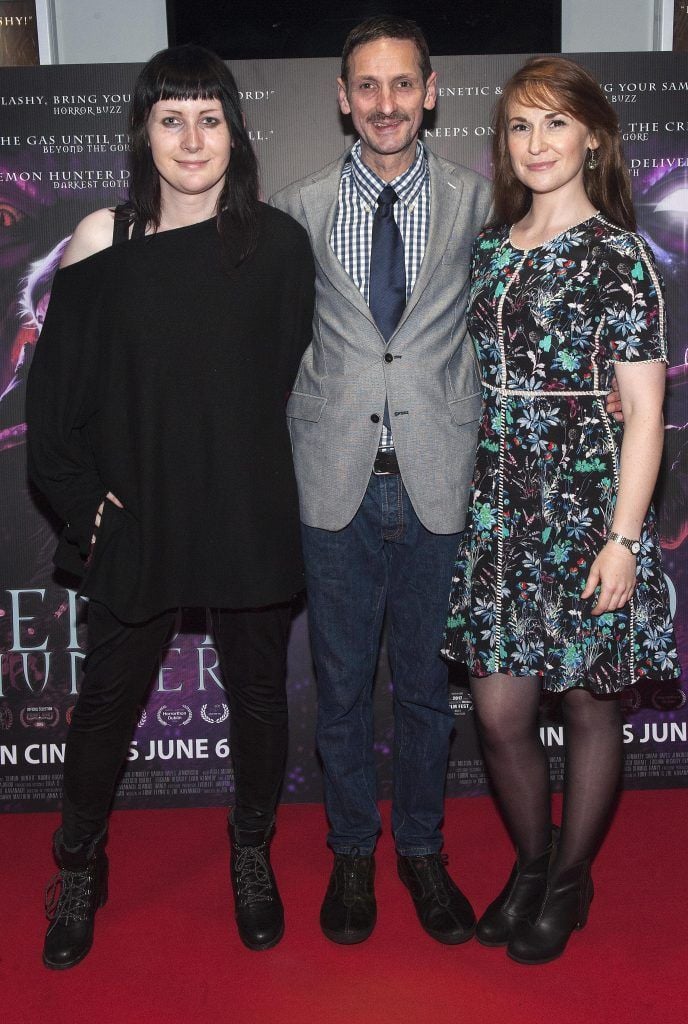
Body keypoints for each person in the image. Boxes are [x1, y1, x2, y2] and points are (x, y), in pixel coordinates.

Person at [26, 44, 314, 967]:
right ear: (143, 132)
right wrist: (90, 509)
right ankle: (78, 860)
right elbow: (53, 415)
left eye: (210, 116)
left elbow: (292, 384)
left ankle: (251, 852)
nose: (192, 138)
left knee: (262, 699)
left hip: (244, 510)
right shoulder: (101, 242)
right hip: (137, 520)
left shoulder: (278, 246)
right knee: (107, 702)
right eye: (170, 117)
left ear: (235, 128)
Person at [442, 55, 680, 965]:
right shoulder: (490, 249)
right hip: (500, 505)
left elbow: (649, 412)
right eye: (518, 125)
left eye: (554, 124)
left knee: (587, 704)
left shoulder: (622, 257)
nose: (535, 143)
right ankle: (533, 860)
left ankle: (570, 877)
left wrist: (626, 539)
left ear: (591, 138)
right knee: (499, 712)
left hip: (587, 505)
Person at [271, 16, 492, 945]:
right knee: (342, 680)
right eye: (368, 86)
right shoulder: (299, 207)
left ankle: (424, 852)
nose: (386, 104)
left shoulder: (480, 202)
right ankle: (353, 852)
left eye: (403, 84)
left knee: (427, 690)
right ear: (342, 97)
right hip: (336, 484)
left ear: (431, 90)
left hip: (440, 475)